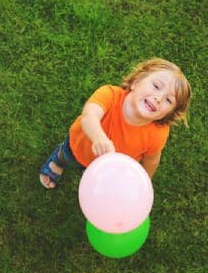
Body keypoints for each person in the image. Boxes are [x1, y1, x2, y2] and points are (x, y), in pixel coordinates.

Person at [40, 58, 191, 188]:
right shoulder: (109, 95)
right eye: (156, 86)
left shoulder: (158, 133)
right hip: (78, 146)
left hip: (108, 168)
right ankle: (58, 161)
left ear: (168, 113)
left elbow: (152, 160)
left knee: (94, 177)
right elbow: (89, 115)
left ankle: (88, 173)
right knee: (67, 157)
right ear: (136, 82)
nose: (158, 98)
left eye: (168, 100)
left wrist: (143, 181)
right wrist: (99, 138)